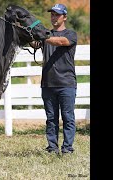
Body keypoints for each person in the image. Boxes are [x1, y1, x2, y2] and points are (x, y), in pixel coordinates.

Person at [30, 4, 77, 154]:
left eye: (57, 14)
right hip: (48, 84)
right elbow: (34, 43)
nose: (54, 17)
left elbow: (60, 42)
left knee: (68, 118)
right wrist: (29, 31)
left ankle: (67, 149)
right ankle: (52, 148)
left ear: (65, 17)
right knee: (51, 119)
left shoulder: (70, 34)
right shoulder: (47, 34)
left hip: (66, 83)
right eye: (52, 14)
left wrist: (43, 35)